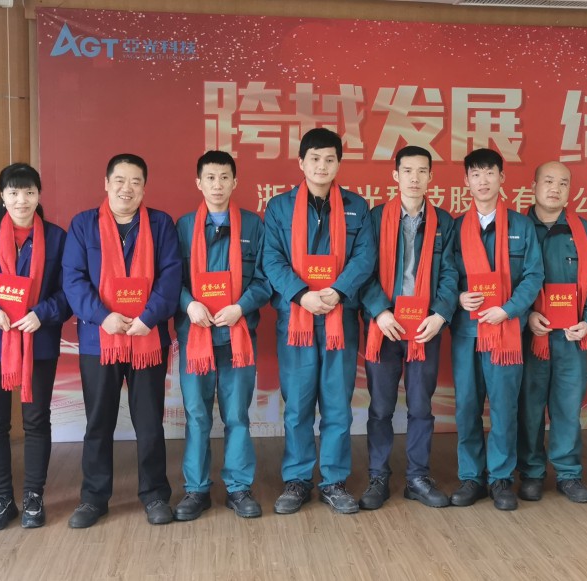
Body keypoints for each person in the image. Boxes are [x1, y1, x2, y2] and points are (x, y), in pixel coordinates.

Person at [62, 154, 181, 527]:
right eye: (120, 180)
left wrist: (149, 318)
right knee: (98, 421)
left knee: (149, 422)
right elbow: (73, 279)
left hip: (148, 338)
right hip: (100, 340)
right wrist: (104, 317)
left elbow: (171, 276)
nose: (127, 188)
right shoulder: (83, 225)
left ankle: (155, 494)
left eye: (135, 181)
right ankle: (93, 498)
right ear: (106, 183)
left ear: (144, 187)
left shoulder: (161, 224)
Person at [262, 128, 375, 515]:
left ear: (339, 163)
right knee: (297, 405)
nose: (322, 166)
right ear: (301, 162)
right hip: (296, 319)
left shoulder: (357, 206)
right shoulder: (279, 208)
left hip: (339, 318)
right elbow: (272, 258)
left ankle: (333, 481)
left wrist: (338, 291)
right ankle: (296, 480)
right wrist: (301, 294)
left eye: (329, 159)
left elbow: (365, 257)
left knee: (337, 405)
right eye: (314, 159)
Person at [0, 163, 70, 530]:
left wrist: (43, 313)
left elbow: (69, 290)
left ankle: (34, 496)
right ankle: (2, 498)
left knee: (36, 420)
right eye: (14, 192)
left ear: (39, 196)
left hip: (38, 341)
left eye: (29, 192)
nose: (22, 199)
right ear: (2, 196)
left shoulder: (57, 238)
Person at [358, 146, 458, 510]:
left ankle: (417, 477)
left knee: (420, 405)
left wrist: (440, 314)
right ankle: (378, 476)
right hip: (384, 327)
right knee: (381, 407)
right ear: (395, 175)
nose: (414, 178)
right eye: (407, 171)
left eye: (422, 171)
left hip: (424, 328)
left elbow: (450, 273)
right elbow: (362, 270)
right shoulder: (374, 218)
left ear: (431, 176)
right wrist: (379, 312)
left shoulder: (443, 221)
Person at [174, 151, 271, 520]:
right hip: (195, 337)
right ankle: (196, 489)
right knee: (196, 415)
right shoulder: (183, 227)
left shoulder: (253, 226)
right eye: (210, 178)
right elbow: (170, 279)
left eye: (224, 177)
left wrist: (241, 307)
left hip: (237, 338)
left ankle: (238, 488)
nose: (217, 185)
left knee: (237, 415)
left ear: (235, 182)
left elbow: (265, 278)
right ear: (198, 182)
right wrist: (188, 305)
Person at [449, 148, 544, 511]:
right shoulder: (456, 227)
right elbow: (446, 273)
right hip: (467, 332)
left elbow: (533, 275)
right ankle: (471, 477)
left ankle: (501, 477)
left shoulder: (521, 226)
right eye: (475, 174)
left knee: (504, 408)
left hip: (506, 332)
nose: (483, 181)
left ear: (502, 178)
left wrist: (508, 310)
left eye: (490, 173)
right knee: (467, 407)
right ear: (466, 181)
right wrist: (458, 297)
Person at [517, 161, 587, 504]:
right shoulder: (517, 228)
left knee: (568, 407)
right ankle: (532, 472)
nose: (555, 188)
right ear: (534, 185)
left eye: (563, 183)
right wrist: (527, 315)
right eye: (549, 181)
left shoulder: (585, 231)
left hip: (572, 336)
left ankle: (568, 474)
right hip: (531, 336)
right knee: (530, 407)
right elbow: (507, 282)